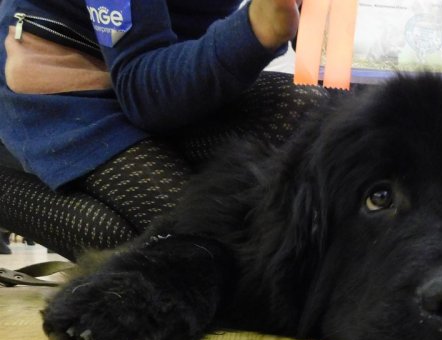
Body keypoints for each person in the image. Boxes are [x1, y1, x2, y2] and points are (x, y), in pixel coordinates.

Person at [0, 0, 328, 261]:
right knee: (174, 244)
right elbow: (142, 92)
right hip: (63, 82)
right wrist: (256, 30)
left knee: (299, 110)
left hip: (166, 72)